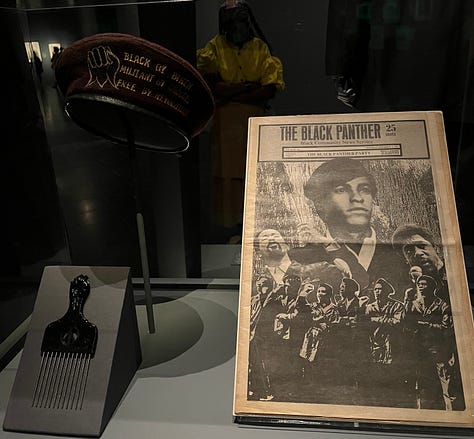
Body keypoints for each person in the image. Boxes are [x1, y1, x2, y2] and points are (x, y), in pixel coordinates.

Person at [197, 1, 285, 238]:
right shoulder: (214, 48)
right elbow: (214, 88)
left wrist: (231, 91)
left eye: (241, 22)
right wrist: (249, 87)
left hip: (253, 123)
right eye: (233, 23)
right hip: (225, 126)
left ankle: (256, 228)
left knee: (255, 172)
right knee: (228, 176)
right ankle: (232, 229)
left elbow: (269, 90)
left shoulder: (260, 48)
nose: (238, 28)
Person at [303, 157, 405, 293]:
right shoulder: (304, 260)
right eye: (341, 190)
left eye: (365, 189)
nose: (357, 198)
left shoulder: (401, 257)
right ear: (320, 204)